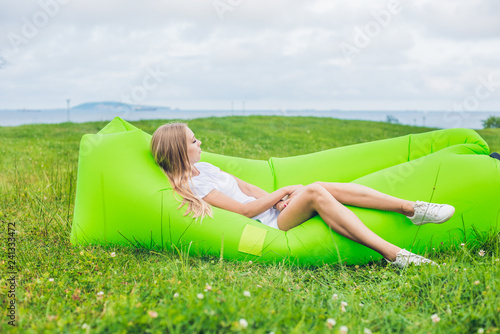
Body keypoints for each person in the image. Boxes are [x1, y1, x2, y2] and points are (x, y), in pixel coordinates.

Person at [151, 123, 455, 269]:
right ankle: (393, 252)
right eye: (193, 140)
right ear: (180, 150)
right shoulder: (195, 188)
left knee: (320, 186)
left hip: (272, 210)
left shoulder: (204, 168)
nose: (199, 140)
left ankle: (411, 209)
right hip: (265, 226)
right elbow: (242, 211)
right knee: (314, 190)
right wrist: (283, 193)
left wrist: (278, 198)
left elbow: (247, 189)